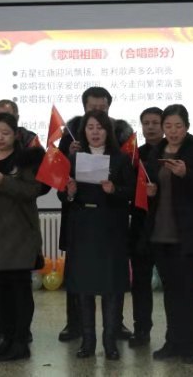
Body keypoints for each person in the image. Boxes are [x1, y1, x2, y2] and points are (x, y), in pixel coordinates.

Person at [57, 86, 134, 343]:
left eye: (100, 124)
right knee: (82, 283)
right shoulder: (73, 152)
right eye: (91, 125)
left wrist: (114, 190)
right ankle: (82, 334)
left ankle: (112, 336)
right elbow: (62, 193)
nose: (95, 130)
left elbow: (130, 191)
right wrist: (69, 192)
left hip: (111, 228)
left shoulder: (120, 157)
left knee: (112, 283)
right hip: (82, 227)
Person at [143, 104, 193, 364]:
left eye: (178, 126)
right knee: (171, 292)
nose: (173, 131)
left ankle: (192, 345)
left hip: (187, 234)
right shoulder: (157, 152)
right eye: (168, 126)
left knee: (190, 292)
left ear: (187, 127)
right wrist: (150, 192)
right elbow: (152, 186)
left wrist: (187, 174)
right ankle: (173, 342)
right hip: (161, 232)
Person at [0, 113, 45, 361]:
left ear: (15, 135)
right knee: (0, 292)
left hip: (18, 234)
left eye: (5, 133)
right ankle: (7, 338)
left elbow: (33, 190)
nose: (0, 137)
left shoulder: (25, 160)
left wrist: (3, 181)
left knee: (20, 291)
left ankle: (21, 341)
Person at [128, 106, 163, 348]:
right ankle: (141, 330)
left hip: (166, 226)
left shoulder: (172, 153)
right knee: (140, 283)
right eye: (146, 123)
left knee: (172, 283)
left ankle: (175, 333)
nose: (150, 127)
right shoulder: (134, 155)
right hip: (140, 227)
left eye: (155, 123)